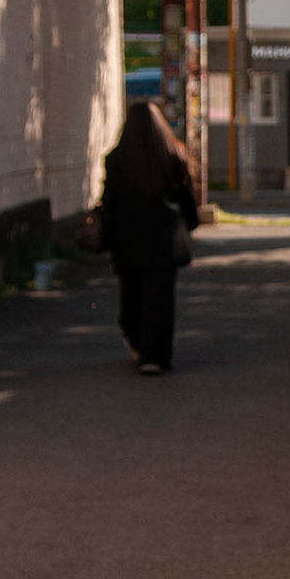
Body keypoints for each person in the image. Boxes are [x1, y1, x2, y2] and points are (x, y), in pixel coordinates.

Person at [100, 97, 199, 374]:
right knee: (161, 300)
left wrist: (107, 232)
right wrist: (189, 224)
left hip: (128, 240)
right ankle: (156, 355)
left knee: (131, 295)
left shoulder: (117, 159)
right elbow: (186, 198)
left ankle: (136, 343)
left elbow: (109, 201)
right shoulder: (172, 157)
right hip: (164, 241)